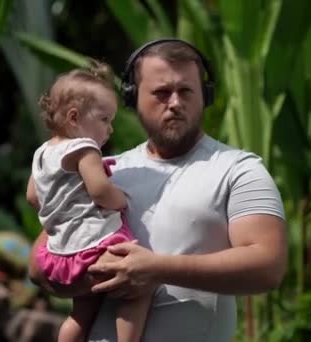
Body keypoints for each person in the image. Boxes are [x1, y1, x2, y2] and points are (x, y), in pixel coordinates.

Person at [29, 39, 287, 341]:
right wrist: (103, 275)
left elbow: (268, 266)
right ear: (133, 98)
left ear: (205, 96)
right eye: (162, 93)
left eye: (186, 91)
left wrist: (158, 269)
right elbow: (38, 267)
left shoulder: (238, 170)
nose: (175, 102)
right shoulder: (105, 170)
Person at [25, 62, 151, 342]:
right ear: (74, 118)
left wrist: (62, 213)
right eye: (105, 119)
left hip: (59, 252)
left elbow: (33, 196)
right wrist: (122, 200)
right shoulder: (83, 148)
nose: (111, 129)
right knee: (139, 287)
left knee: (81, 313)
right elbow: (99, 191)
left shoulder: (43, 153)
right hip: (93, 245)